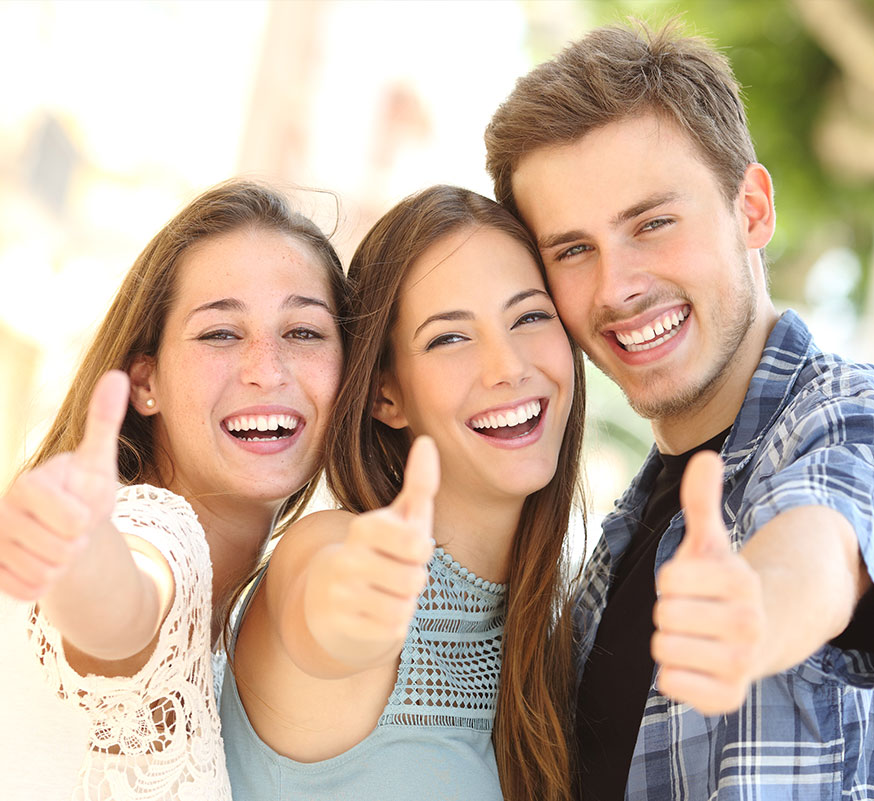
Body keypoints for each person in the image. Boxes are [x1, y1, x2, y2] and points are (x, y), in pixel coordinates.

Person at [484, 20, 874, 801]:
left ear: (752, 210)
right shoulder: (619, 541)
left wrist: (755, 611)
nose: (617, 287)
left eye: (653, 223)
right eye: (572, 250)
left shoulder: (846, 413)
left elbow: (828, 530)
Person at [219, 185, 586, 801]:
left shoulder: (549, 630)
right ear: (387, 394)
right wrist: (355, 609)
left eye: (528, 317)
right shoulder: (332, 547)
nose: (509, 366)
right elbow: (324, 609)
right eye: (449, 338)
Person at [0, 179, 346, 801]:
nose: (267, 368)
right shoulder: (151, 533)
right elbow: (126, 600)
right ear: (145, 381)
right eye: (220, 333)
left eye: (304, 332)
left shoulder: (249, 628)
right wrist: (82, 559)